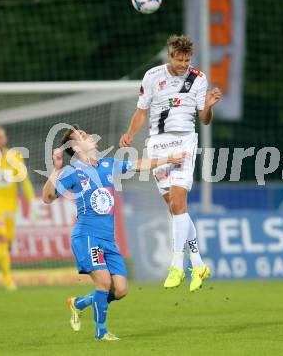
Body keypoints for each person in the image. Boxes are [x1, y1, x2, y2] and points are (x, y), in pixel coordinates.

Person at [42, 124, 185, 341]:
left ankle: (79, 303)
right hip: (87, 236)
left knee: (120, 289)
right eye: (81, 135)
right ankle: (101, 332)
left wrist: (168, 159)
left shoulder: (108, 164)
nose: (88, 135)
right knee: (104, 283)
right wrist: (56, 168)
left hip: (108, 239)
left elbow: (138, 164)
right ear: (76, 148)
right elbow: (47, 197)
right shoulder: (73, 172)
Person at [119, 34, 221, 292]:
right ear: (170, 55)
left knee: (178, 203)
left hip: (184, 142)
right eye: (179, 60)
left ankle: (177, 264)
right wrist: (130, 134)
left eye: (187, 60)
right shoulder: (152, 76)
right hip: (157, 143)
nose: (184, 64)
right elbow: (142, 110)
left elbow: (204, 119)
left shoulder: (198, 79)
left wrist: (208, 107)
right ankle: (198, 264)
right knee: (175, 209)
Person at [0, 125, 37, 290]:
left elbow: (24, 180)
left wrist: (32, 202)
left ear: (5, 139)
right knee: (2, 239)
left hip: (10, 206)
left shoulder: (15, 156)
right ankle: (8, 280)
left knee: (6, 245)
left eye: (0, 137)